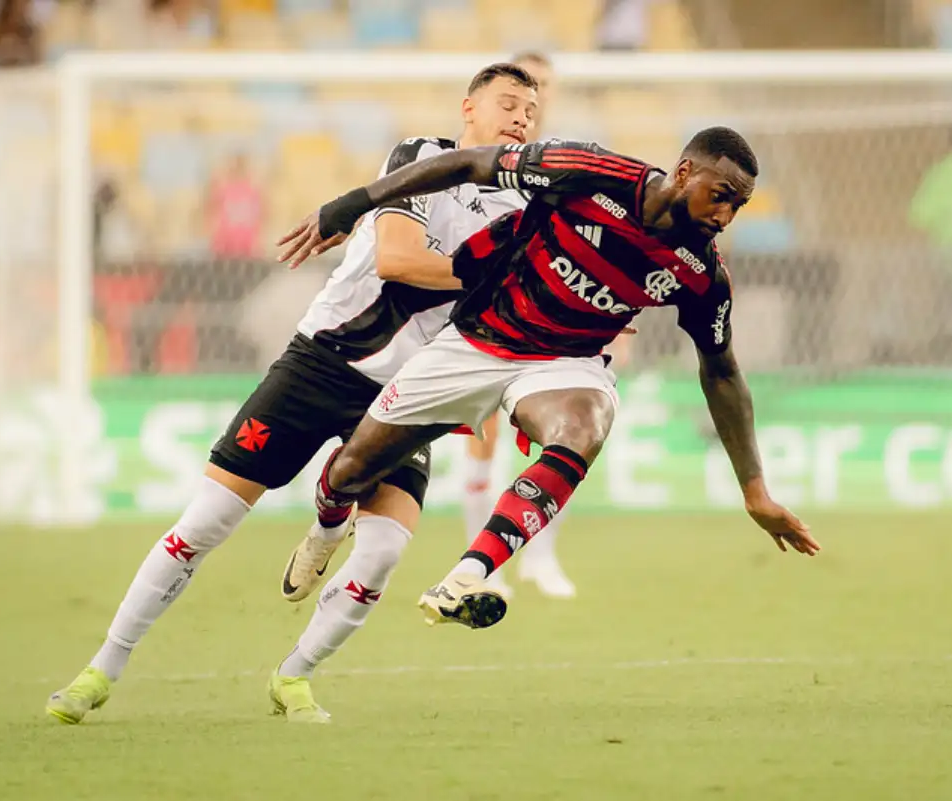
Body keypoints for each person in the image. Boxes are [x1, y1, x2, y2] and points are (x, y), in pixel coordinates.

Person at [45, 63, 540, 724]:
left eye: (532, 112)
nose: (520, 119)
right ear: (468, 110)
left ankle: (294, 674)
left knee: (386, 549)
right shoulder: (423, 159)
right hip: (323, 363)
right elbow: (397, 261)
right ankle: (100, 669)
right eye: (507, 103)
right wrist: (495, 276)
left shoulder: (531, 209)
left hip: (409, 391)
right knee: (205, 522)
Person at [277, 127, 821, 632]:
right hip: (476, 339)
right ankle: (326, 527)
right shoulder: (589, 171)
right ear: (684, 172)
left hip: (564, 363)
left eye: (739, 206)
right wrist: (352, 205)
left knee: (587, 424)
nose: (725, 215)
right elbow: (467, 162)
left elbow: (721, 371)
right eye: (720, 194)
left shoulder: (699, 269)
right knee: (350, 471)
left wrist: (755, 491)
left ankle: (470, 573)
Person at [462, 50, 574, 600]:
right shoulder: (483, 161)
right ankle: (484, 565)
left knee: (559, 440)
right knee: (482, 442)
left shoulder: (561, 162)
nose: (541, 96)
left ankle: (542, 560)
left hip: (548, 326)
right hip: (485, 324)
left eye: (547, 87)